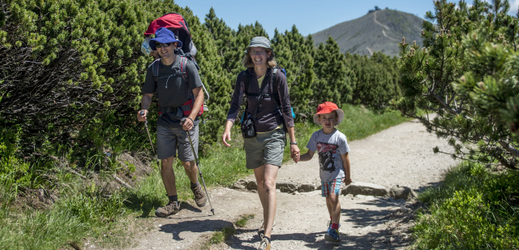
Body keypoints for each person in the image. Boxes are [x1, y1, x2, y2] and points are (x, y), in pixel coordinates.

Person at [222, 36, 300, 250]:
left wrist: (293, 142)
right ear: (249, 55)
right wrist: (228, 127)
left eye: (261, 51)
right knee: (258, 184)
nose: (257, 55)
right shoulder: (243, 77)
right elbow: (235, 105)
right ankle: (268, 220)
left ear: (268, 55)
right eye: (253, 51)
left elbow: (287, 109)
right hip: (252, 136)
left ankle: (266, 236)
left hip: (274, 134)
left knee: (268, 183)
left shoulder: (278, 77)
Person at [137, 27, 206, 217]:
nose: (163, 48)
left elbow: (199, 94)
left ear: (175, 45)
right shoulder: (154, 68)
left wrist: (191, 118)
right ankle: (173, 202)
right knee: (165, 162)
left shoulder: (186, 66)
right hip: (165, 120)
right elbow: (148, 95)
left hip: (186, 120)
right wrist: (144, 109)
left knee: (187, 162)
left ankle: (195, 186)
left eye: (167, 44)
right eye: (159, 45)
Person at [298, 102, 352, 242]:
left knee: (334, 198)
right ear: (320, 120)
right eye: (324, 118)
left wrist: (348, 176)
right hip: (324, 175)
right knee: (328, 199)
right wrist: (298, 158)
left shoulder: (340, 137)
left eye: (331, 118)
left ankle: (334, 229)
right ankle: (333, 221)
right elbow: (309, 155)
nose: (328, 121)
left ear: (336, 119)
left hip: (337, 174)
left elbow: (345, 159)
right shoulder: (316, 136)